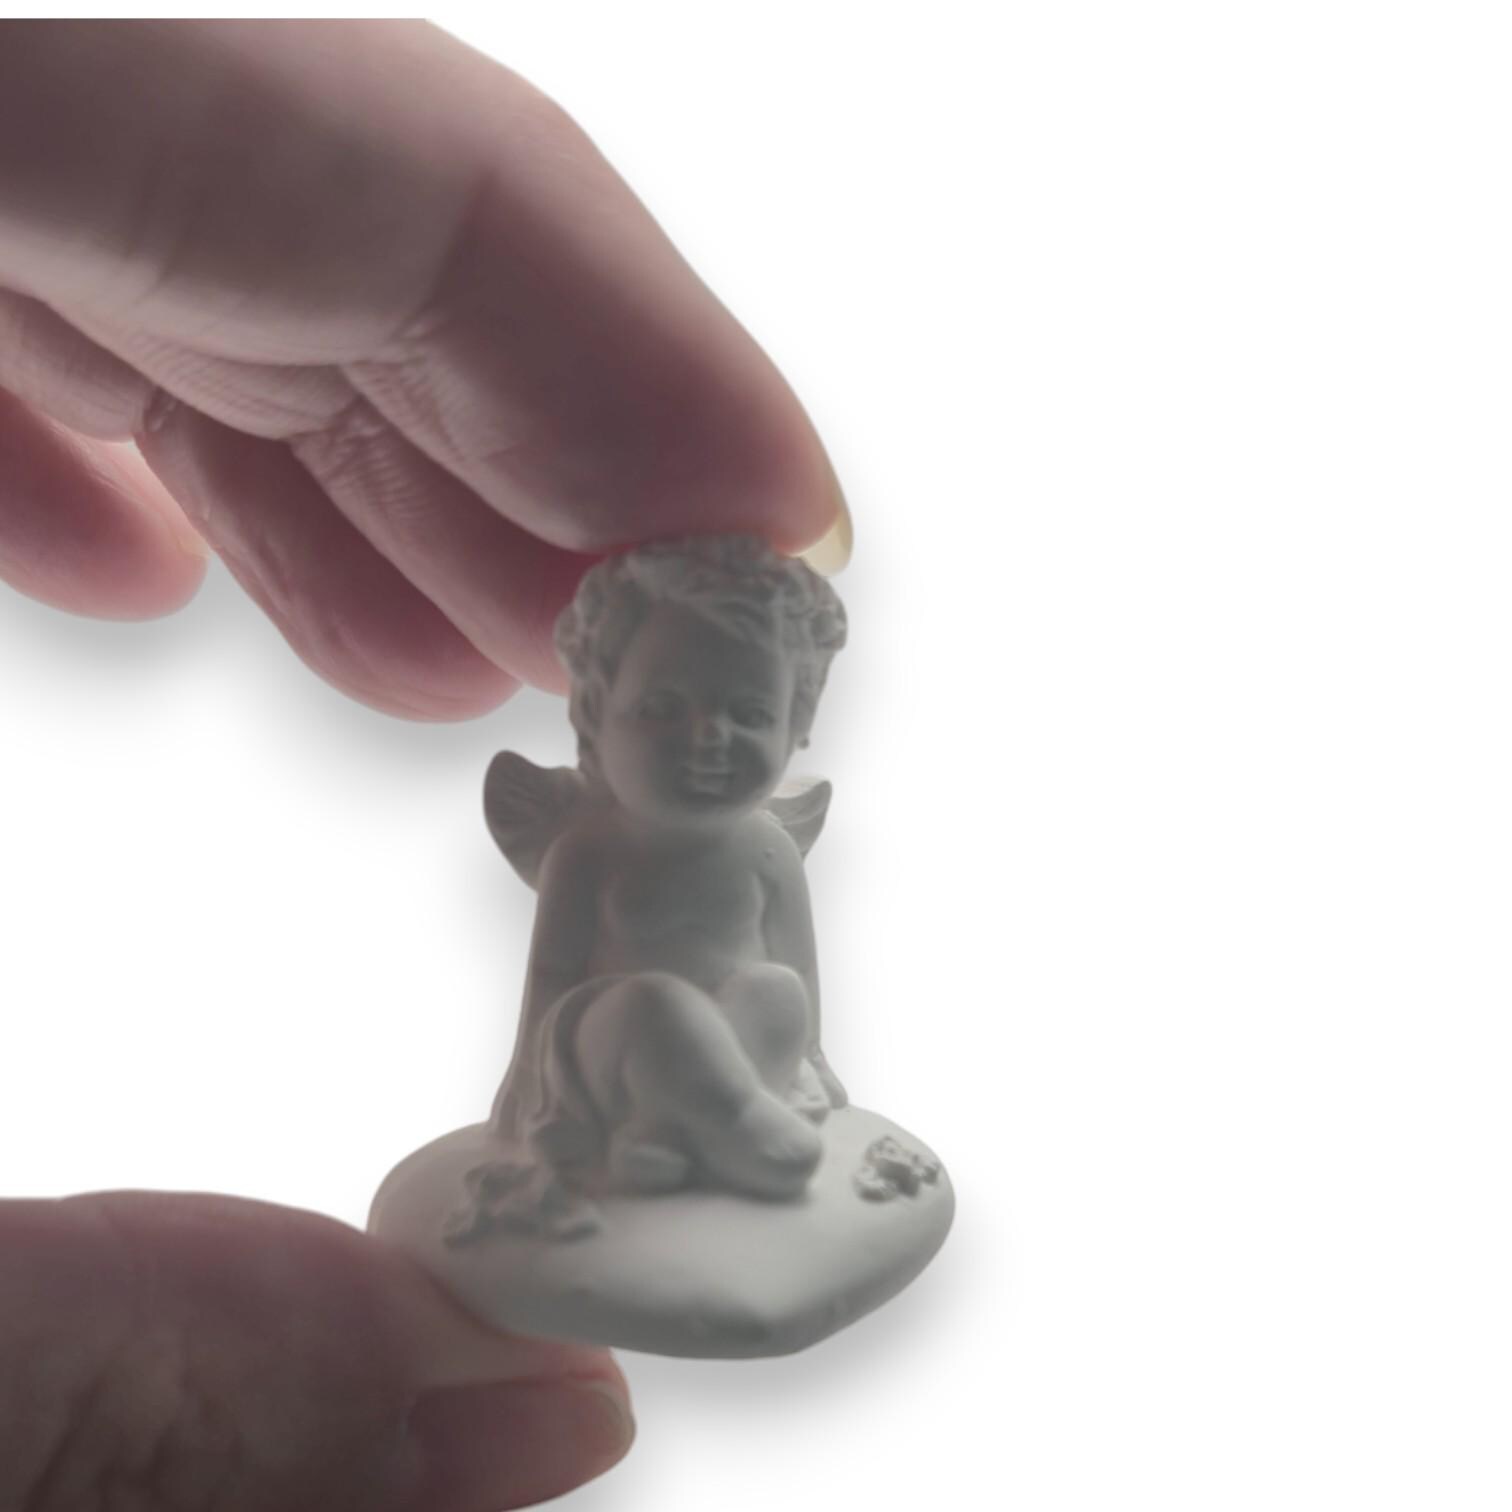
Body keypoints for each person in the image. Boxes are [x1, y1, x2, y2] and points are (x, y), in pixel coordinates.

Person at [0, 20, 846, 1511]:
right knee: (651, 1004)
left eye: (747, 715)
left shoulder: (764, 848)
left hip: (732, 1077)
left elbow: (802, 988)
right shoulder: (596, 849)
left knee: (760, 1000)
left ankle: (725, 1144)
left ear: (796, 726)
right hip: (605, 1067)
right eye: (670, 708)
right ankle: (715, 1144)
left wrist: (815, 1076)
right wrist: (531, 1132)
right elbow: (554, 997)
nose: (715, 742)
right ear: (594, 719)